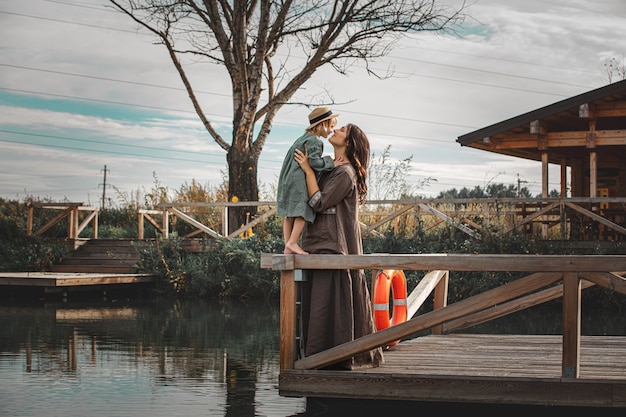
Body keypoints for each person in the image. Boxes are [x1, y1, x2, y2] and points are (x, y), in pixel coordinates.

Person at [294, 123, 384, 370]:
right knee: (320, 304)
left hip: (335, 247)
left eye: (342, 129)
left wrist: (308, 172)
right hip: (320, 244)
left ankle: (340, 358)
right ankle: (321, 358)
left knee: (333, 301)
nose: (335, 129)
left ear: (350, 142)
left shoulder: (345, 173)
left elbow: (319, 202)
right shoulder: (332, 168)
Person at [276, 106, 338, 254]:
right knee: (303, 209)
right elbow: (315, 163)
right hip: (298, 180)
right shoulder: (315, 141)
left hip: (287, 179)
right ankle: (292, 242)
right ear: (322, 125)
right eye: (330, 127)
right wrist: (331, 162)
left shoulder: (302, 138)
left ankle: (287, 245)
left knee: (289, 213)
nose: (331, 131)